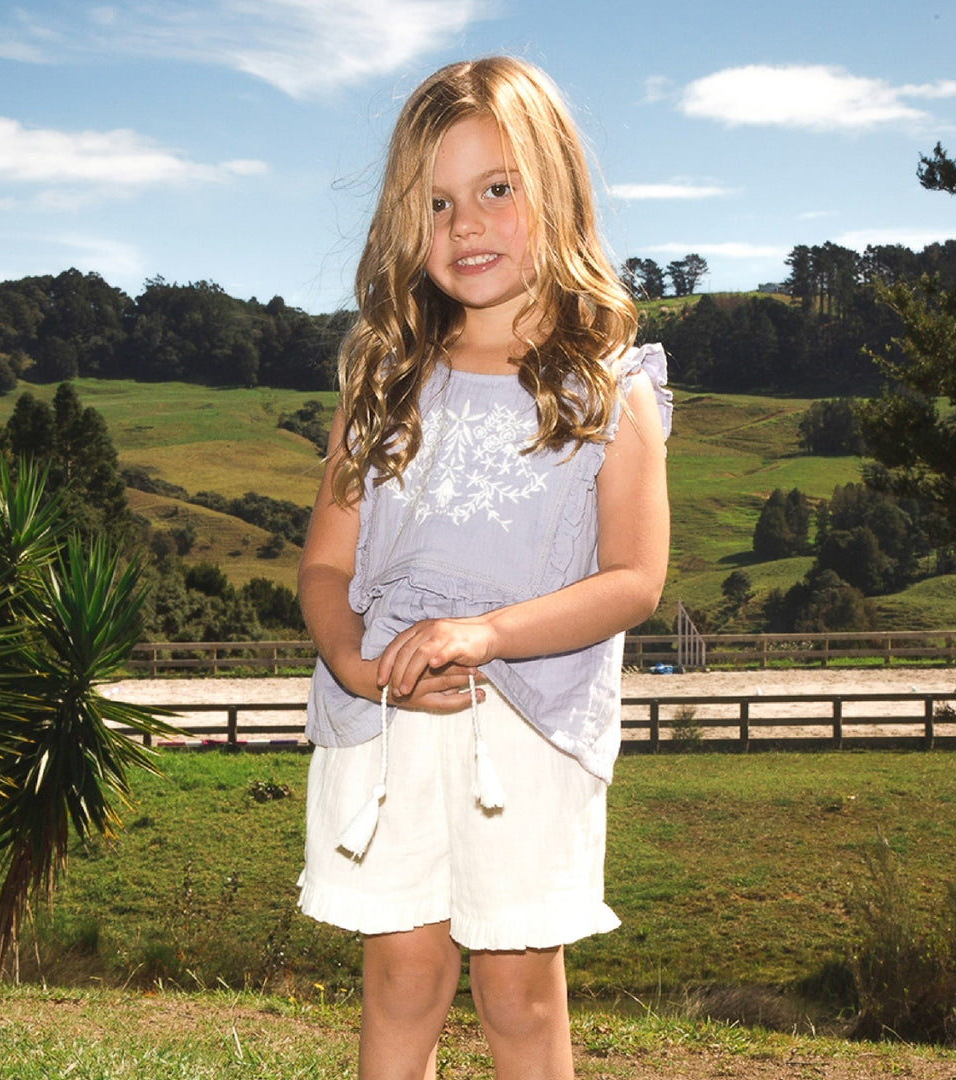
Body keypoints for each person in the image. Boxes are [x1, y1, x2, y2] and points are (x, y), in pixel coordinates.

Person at [296, 55, 671, 1080]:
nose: (465, 225)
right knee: (402, 975)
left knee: (516, 988)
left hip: (531, 725)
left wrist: (487, 634)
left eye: (496, 190)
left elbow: (635, 577)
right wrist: (360, 667)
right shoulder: (381, 384)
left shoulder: (608, 391)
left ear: (554, 187)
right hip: (386, 718)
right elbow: (326, 571)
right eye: (437, 202)